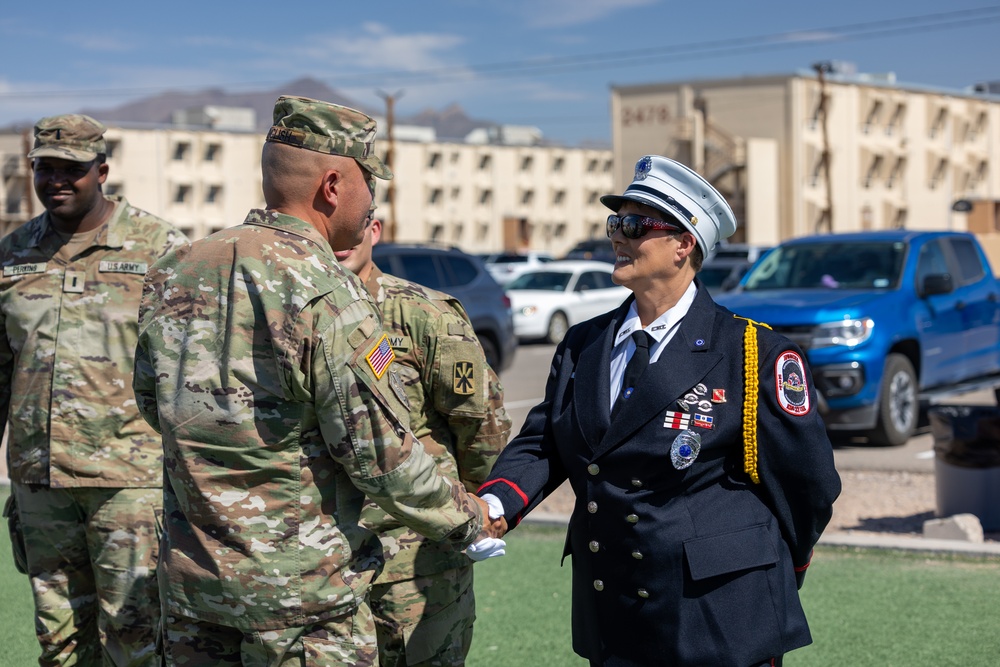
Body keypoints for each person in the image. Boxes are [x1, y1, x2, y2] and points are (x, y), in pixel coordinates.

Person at [132, 96, 501, 666]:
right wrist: (468, 517)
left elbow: (154, 405)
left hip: (194, 598)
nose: (372, 200)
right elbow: (382, 455)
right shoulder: (330, 293)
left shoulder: (178, 269)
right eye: (368, 184)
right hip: (303, 610)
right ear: (333, 186)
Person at [478, 155, 842, 666]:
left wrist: (781, 563)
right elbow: (546, 441)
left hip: (720, 613)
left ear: (683, 245)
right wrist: (496, 505)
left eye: (634, 224)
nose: (617, 237)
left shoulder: (751, 352)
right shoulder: (585, 343)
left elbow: (808, 481)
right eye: (614, 223)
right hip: (617, 607)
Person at [0, 114, 188, 665]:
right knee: (58, 642)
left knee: (136, 637)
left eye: (72, 170)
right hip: (40, 481)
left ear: (101, 171)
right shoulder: (13, 256)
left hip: (129, 483)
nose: (57, 180)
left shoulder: (159, 247)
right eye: (45, 168)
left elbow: (189, 367)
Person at [334, 206, 511, 666]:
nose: (340, 239)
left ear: (374, 229)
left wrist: (470, 510)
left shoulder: (421, 313)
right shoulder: (294, 312)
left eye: (352, 227)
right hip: (326, 559)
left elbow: (480, 427)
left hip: (415, 558)